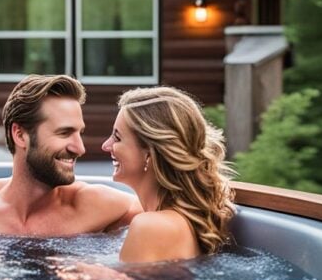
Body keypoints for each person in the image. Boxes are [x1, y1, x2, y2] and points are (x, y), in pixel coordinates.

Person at [0, 75, 141, 235]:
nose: (79, 148)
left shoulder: (96, 206)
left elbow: (170, 218)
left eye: (79, 133)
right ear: (20, 135)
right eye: (64, 133)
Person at [101, 86, 236, 262]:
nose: (106, 145)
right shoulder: (179, 220)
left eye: (117, 137)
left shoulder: (150, 227)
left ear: (149, 154)